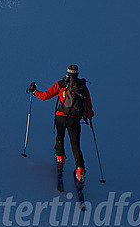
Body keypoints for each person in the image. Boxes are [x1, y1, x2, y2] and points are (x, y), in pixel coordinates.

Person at [26, 64, 94, 194]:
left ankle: (60, 160)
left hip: (60, 117)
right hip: (75, 120)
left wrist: (34, 91)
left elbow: (45, 96)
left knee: (59, 138)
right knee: (75, 146)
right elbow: (89, 108)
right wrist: (89, 115)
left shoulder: (61, 84)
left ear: (67, 73)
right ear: (77, 74)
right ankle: (80, 172)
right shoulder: (83, 87)